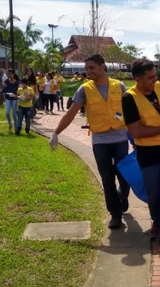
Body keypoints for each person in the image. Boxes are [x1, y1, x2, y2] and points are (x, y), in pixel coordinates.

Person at [49, 54, 130, 230]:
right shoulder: (85, 89)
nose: (88, 71)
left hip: (121, 139)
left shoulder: (119, 86)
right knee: (107, 178)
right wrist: (56, 133)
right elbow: (71, 113)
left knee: (124, 175)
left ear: (103, 67)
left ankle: (123, 195)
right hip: (100, 140)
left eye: (91, 68)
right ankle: (115, 215)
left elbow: (131, 110)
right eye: (86, 68)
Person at [123, 58, 160, 258]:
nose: (154, 80)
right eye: (149, 77)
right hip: (149, 157)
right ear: (137, 79)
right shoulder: (129, 98)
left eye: (155, 75)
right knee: (154, 196)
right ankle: (157, 221)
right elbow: (136, 131)